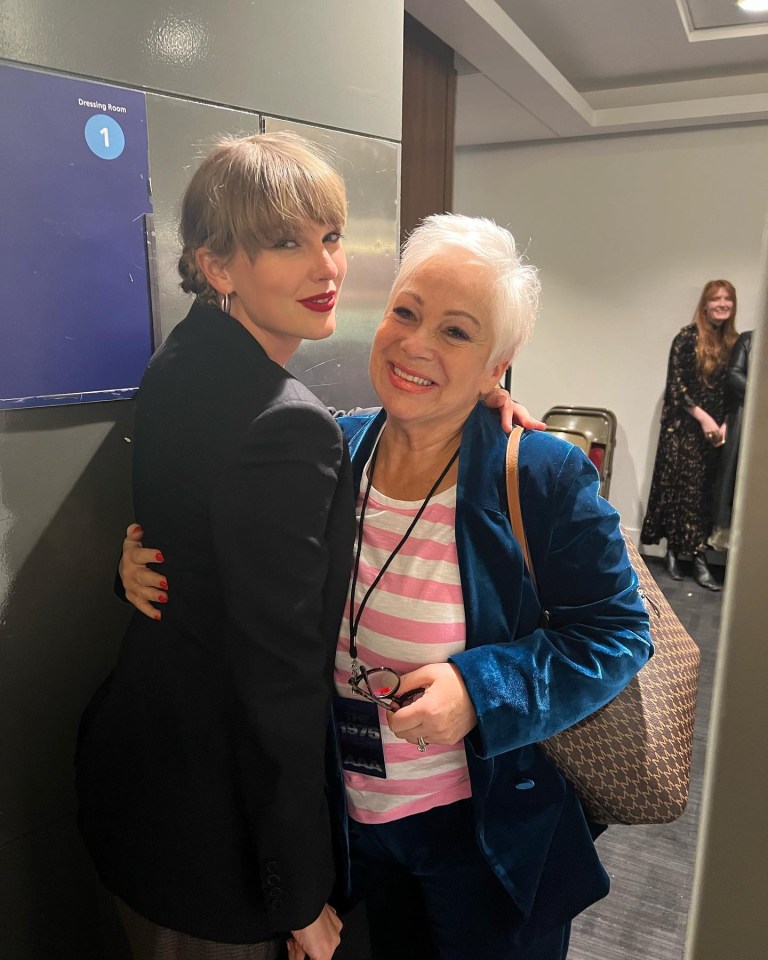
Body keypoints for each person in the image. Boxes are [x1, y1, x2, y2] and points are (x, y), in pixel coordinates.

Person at [121, 213, 652, 959]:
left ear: (497, 364)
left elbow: (620, 633)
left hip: (478, 837)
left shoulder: (539, 476)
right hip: (347, 828)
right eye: (406, 312)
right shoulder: (331, 446)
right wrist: (139, 565)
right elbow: (246, 576)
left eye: (457, 333)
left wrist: (480, 691)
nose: (415, 344)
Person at [75, 134, 536, 960]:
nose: (326, 267)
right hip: (220, 841)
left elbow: (194, 535)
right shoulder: (290, 427)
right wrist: (299, 893)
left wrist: (486, 391)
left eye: (329, 237)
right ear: (218, 267)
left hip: (139, 782)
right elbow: (277, 680)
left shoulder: (181, 362)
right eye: (287, 242)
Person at [640, 280, 739, 590]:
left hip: (716, 434)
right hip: (683, 429)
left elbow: (734, 389)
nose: (722, 304)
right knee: (680, 492)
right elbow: (676, 386)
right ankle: (684, 556)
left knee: (704, 495)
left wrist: (723, 424)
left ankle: (689, 553)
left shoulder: (735, 343)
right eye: (716, 299)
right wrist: (704, 418)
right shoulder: (687, 338)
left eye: (728, 299)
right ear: (705, 304)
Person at [710, 328, 754, 551]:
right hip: (748, 421)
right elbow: (734, 376)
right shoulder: (749, 339)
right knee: (737, 485)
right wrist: (761, 393)